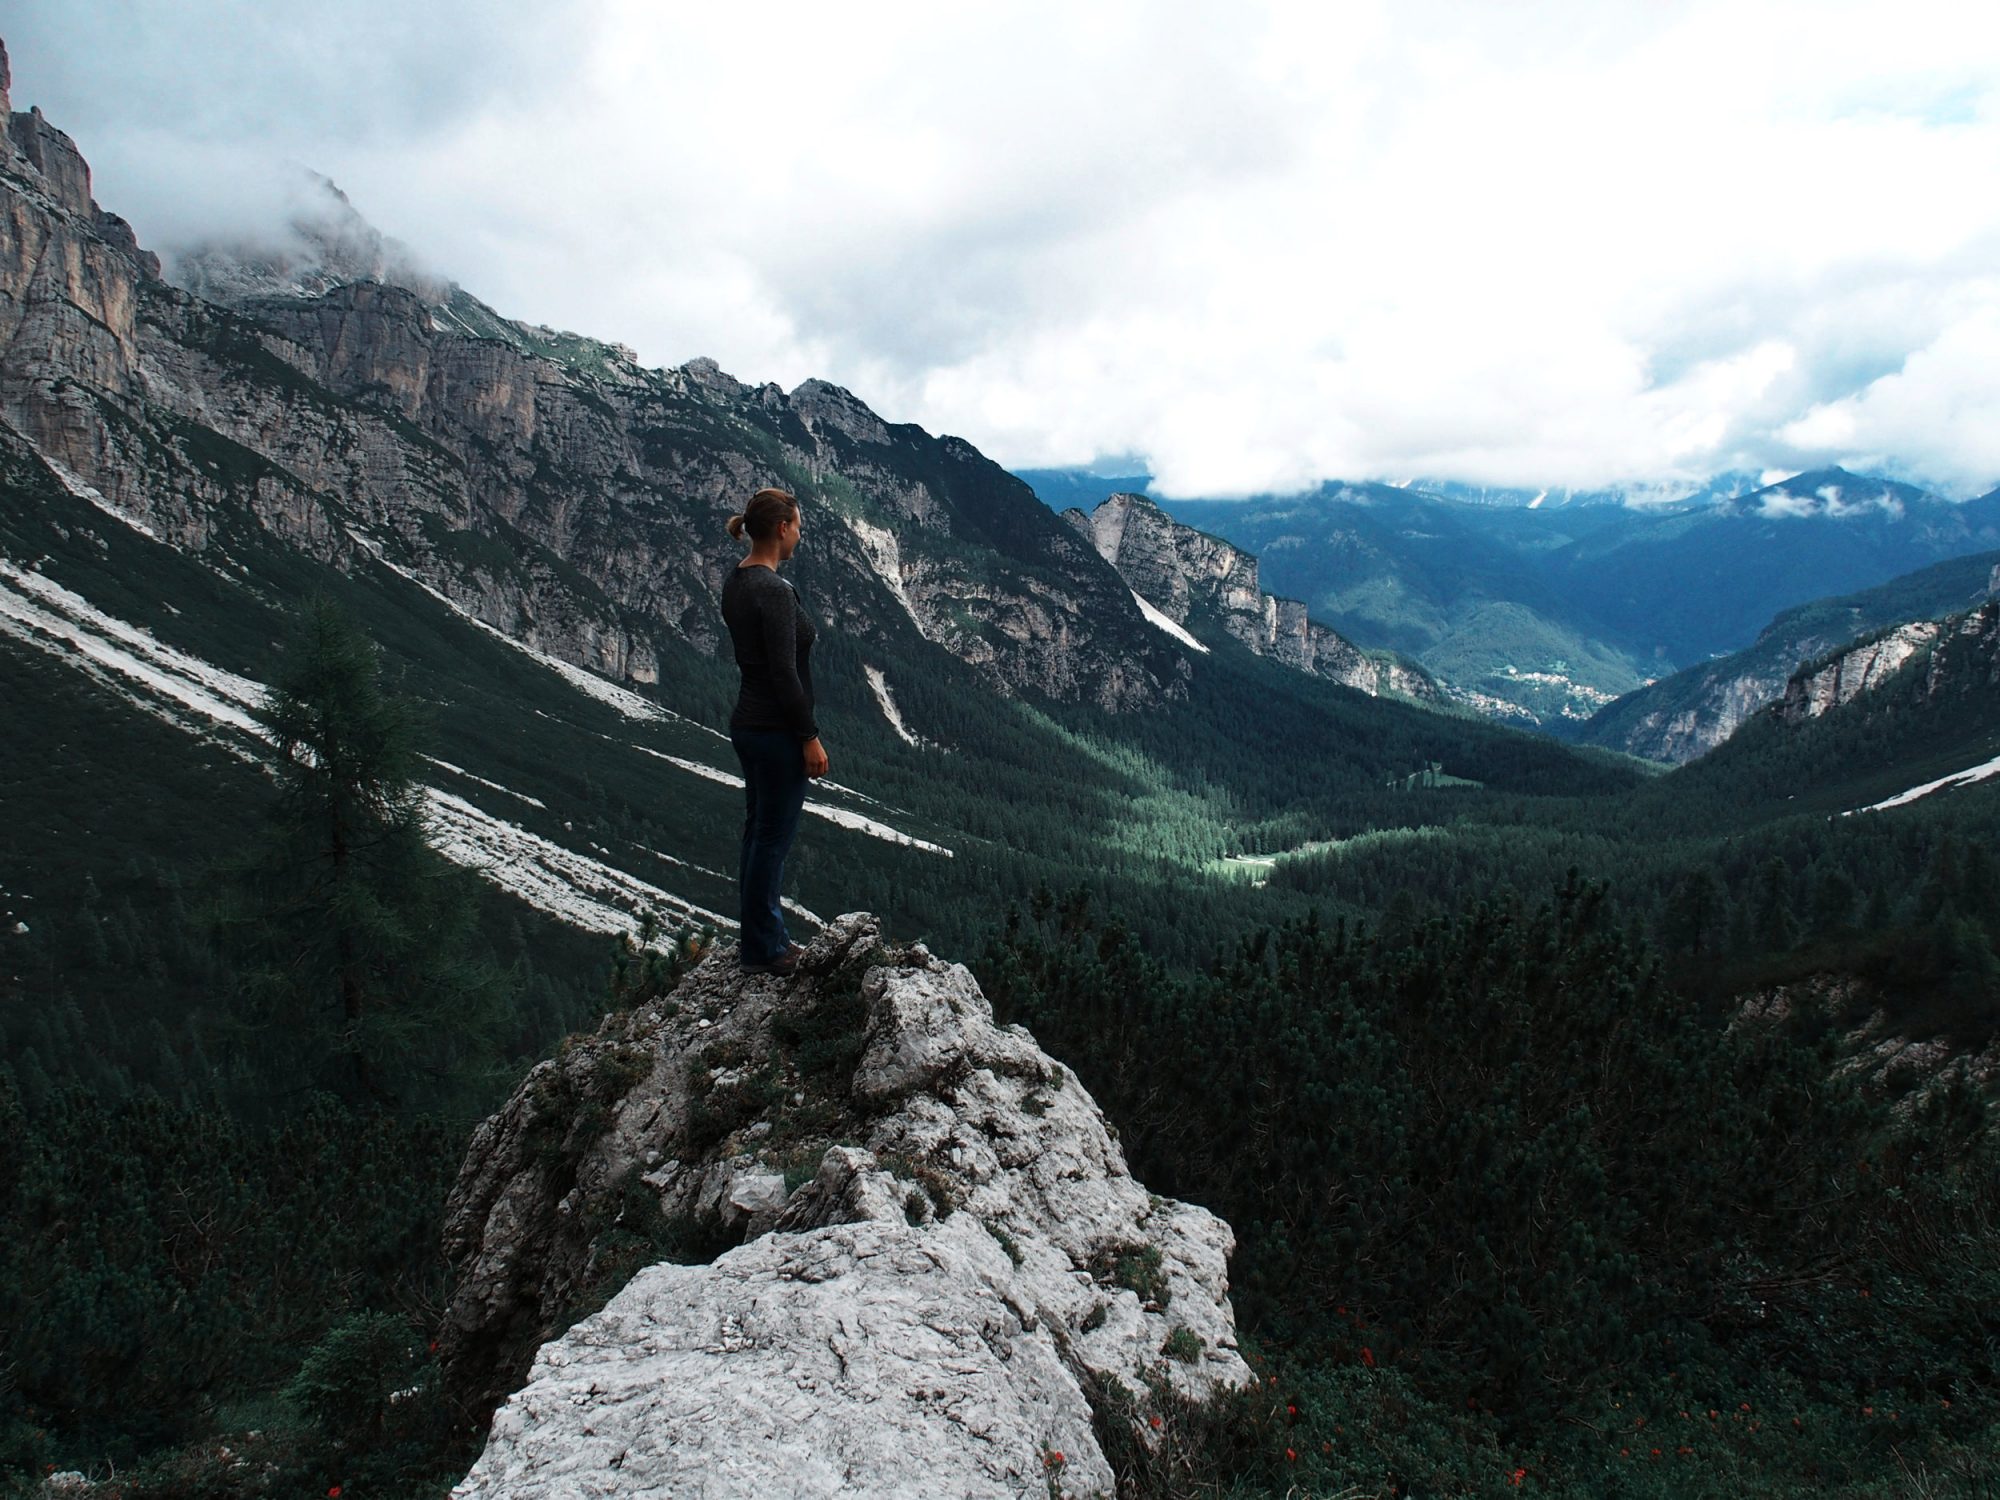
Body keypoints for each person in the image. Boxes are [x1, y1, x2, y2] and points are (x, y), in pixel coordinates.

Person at [722, 487, 828, 975]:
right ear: (782, 528)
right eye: (799, 527)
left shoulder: (737, 581)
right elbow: (785, 673)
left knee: (756, 835)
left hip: (747, 724)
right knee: (771, 840)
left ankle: (757, 943)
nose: (800, 537)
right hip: (777, 731)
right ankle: (769, 950)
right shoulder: (774, 590)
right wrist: (808, 736)